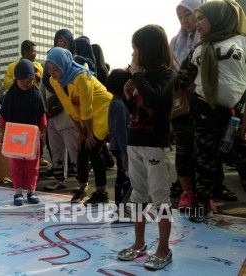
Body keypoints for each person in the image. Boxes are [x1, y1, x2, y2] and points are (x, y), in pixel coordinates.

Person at [175, 0, 246, 221]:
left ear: (218, 18)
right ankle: (202, 204)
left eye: (201, 19)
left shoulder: (241, 41)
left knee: (241, 155)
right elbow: (182, 80)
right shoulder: (198, 48)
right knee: (206, 159)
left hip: (235, 113)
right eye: (196, 20)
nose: (197, 24)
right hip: (204, 110)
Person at [116, 24, 175, 270]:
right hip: (136, 144)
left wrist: (138, 77)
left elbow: (153, 98)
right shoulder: (140, 78)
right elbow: (139, 112)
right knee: (138, 195)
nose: (132, 55)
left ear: (148, 50)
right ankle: (139, 243)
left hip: (155, 147)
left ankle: (164, 248)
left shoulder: (166, 76)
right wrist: (129, 98)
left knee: (160, 198)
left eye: (135, 49)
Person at [46, 47, 112, 205]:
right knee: (81, 146)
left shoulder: (81, 76)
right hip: (86, 115)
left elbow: (86, 108)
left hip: (104, 110)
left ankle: (102, 192)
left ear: (65, 64)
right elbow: (69, 107)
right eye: (49, 69)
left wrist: (88, 133)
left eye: (56, 68)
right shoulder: (54, 81)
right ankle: (82, 188)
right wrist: (81, 133)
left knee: (93, 147)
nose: (52, 72)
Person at [169, 0, 205, 210]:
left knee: (204, 150)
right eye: (180, 16)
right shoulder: (175, 41)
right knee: (183, 148)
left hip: (203, 101)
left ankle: (205, 193)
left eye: (188, 14)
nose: (185, 21)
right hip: (182, 103)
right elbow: (171, 68)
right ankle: (186, 192)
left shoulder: (209, 39)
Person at [0, 59, 47, 206]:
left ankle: (31, 191)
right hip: (15, 136)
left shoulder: (36, 94)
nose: (26, 83)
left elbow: (42, 115)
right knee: (17, 163)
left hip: (32, 137)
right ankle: (18, 191)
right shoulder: (11, 95)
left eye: (30, 80)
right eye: (23, 81)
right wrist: (2, 133)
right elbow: (3, 116)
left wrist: (43, 133)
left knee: (33, 164)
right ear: (16, 79)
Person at [42, 29, 79, 192]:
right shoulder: (49, 67)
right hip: (52, 113)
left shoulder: (75, 65)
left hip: (69, 115)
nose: (61, 47)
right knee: (55, 149)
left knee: (74, 148)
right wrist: (45, 109)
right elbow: (44, 87)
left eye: (65, 44)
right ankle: (59, 179)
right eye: (58, 43)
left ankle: (81, 184)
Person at [106, 69, 132, 206]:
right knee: (125, 178)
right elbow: (121, 130)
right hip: (122, 148)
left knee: (122, 177)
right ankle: (122, 208)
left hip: (118, 146)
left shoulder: (115, 102)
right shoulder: (119, 105)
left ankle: (120, 207)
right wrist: (125, 151)